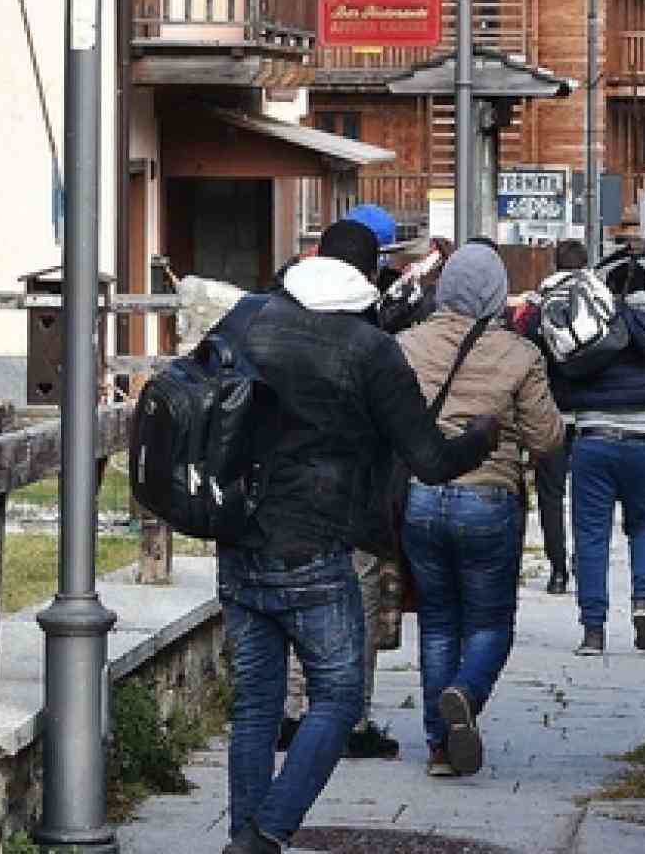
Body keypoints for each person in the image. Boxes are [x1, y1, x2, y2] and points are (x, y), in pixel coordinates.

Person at [220, 219, 498, 854]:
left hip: (238, 540)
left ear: (313, 259)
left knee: (257, 704)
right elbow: (430, 460)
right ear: (372, 275)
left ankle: (243, 837)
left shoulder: (251, 320)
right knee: (340, 697)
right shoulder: (372, 350)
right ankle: (267, 832)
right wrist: (481, 437)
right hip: (316, 550)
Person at [397, 241, 564, 777]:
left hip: (421, 497)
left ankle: (440, 748)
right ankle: (466, 693)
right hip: (488, 498)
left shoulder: (408, 345)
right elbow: (546, 439)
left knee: (438, 622)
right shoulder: (520, 355)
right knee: (490, 623)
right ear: (497, 293)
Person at [276, 205, 424, 761]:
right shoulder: (370, 328)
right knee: (356, 608)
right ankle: (350, 719)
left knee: (294, 609)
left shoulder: (278, 311)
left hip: (285, 495)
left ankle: (290, 712)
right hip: (355, 494)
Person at [542, 245, 645, 656]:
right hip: (644, 441)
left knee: (591, 536)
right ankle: (643, 602)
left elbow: (564, 381)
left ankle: (593, 632)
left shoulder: (592, 326)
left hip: (593, 440)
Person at [508, 239, 591, 594]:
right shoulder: (597, 304)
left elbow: (525, 347)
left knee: (551, 495)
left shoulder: (541, 306)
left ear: (555, 266)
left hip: (550, 414)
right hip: (588, 415)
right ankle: (585, 565)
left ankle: (558, 571)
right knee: (588, 499)